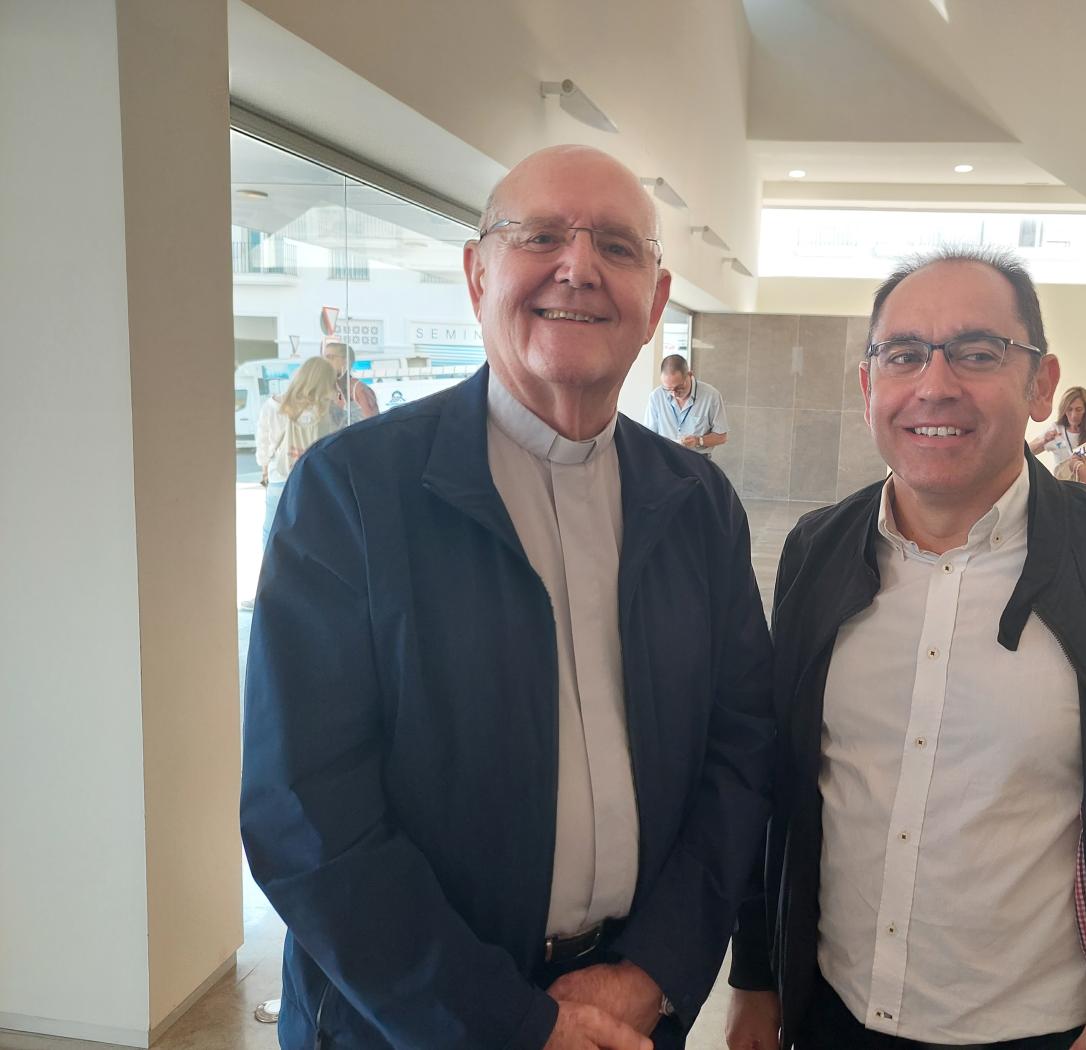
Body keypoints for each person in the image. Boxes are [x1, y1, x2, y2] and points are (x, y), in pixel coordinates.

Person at [242, 145, 774, 1050]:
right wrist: (507, 1025)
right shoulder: (355, 495)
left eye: (616, 244)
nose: (579, 266)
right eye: (539, 236)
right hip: (410, 1021)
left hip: (628, 1010)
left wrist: (650, 972)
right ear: (476, 271)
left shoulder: (697, 505)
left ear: (654, 299)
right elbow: (306, 811)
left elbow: (741, 756)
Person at [725, 248, 1086, 1050]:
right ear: (869, 387)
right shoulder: (818, 552)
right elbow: (784, 790)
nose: (935, 385)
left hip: (1055, 1032)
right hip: (832, 1016)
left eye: (977, 353)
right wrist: (757, 974)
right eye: (903, 355)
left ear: (1042, 384)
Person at [252, 355, 344, 548]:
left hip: (280, 477)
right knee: (312, 537)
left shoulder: (273, 406)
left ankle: (270, 576)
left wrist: (264, 468)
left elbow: (263, 444)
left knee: (271, 535)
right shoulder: (330, 411)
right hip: (315, 480)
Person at [642, 354, 729, 455]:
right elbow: (648, 434)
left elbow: (722, 437)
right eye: (668, 389)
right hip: (665, 460)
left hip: (697, 461)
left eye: (679, 387)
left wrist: (698, 440)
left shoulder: (711, 396)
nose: (674, 394)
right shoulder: (656, 396)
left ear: (690, 375)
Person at [1029, 384, 1086, 466]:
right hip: (1062, 478)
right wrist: (1043, 440)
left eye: (1079, 409)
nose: (1073, 415)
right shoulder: (1056, 429)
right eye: (1069, 409)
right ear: (1064, 410)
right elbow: (1026, 452)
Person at [322, 339, 380, 422]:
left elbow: (372, 424)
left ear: (345, 360)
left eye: (330, 357)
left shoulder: (359, 389)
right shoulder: (325, 388)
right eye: (324, 358)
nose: (325, 362)